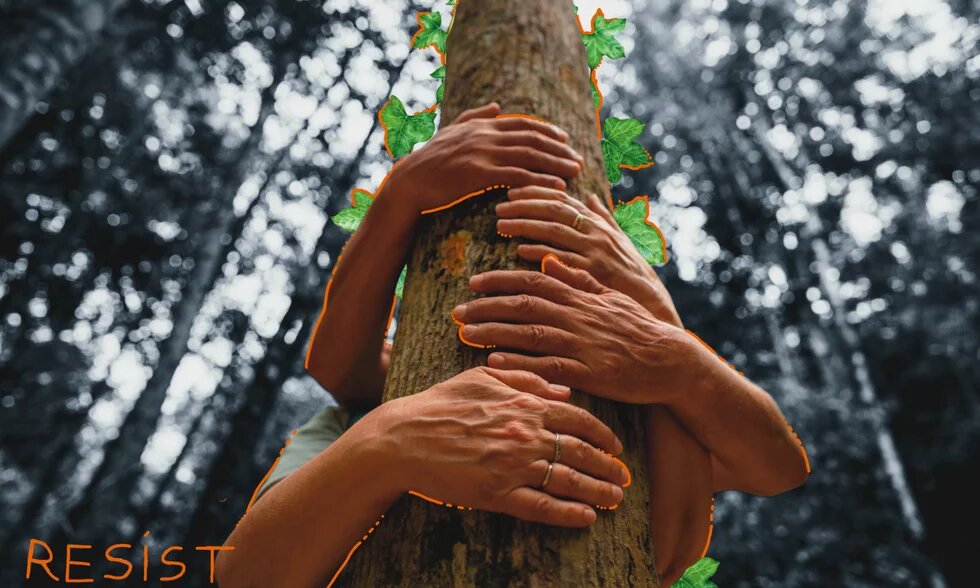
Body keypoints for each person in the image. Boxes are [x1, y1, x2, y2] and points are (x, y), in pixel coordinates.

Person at [215, 103, 809, 588]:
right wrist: (387, 441)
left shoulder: (645, 406)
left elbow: (773, 469)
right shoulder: (352, 419)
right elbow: (245, 574)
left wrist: (662, 328)